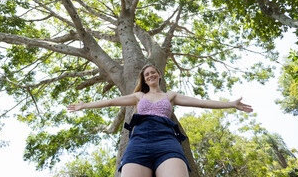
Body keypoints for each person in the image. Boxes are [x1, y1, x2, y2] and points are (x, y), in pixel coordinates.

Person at [67, 64, 253, 177]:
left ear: (159, 75)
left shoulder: (170, 96)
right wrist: (85, 105)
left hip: (167, 142)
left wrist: (231, 104)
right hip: (138, 142)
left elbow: (202, 103)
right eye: (146, 75)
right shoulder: (138, 96)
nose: (150, 75)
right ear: (145, 80)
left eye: (153, 72)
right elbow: (110, 101)